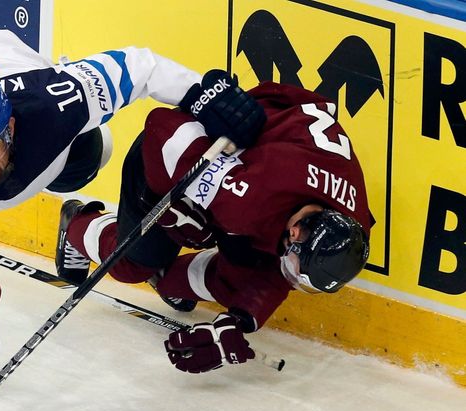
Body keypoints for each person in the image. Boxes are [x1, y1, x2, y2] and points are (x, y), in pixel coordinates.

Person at [0, 29, 266, 411]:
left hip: (10, 61)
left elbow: (138, 66)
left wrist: (201, 93)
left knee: (90, 152)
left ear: (11, 130)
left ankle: (70, 184)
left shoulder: (56, 100)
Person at [56, 79, 372, 374]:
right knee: (132, 266)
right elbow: (160, 127)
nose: (285, 271)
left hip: (247, 179)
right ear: (295, 231)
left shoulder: (350, 229)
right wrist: (171, 203)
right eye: (292, 263)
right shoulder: (250, 197)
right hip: (171, 158)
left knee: (240, 280)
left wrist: (237, 322)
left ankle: (166, 278)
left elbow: (272, 277)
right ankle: (77, 223)